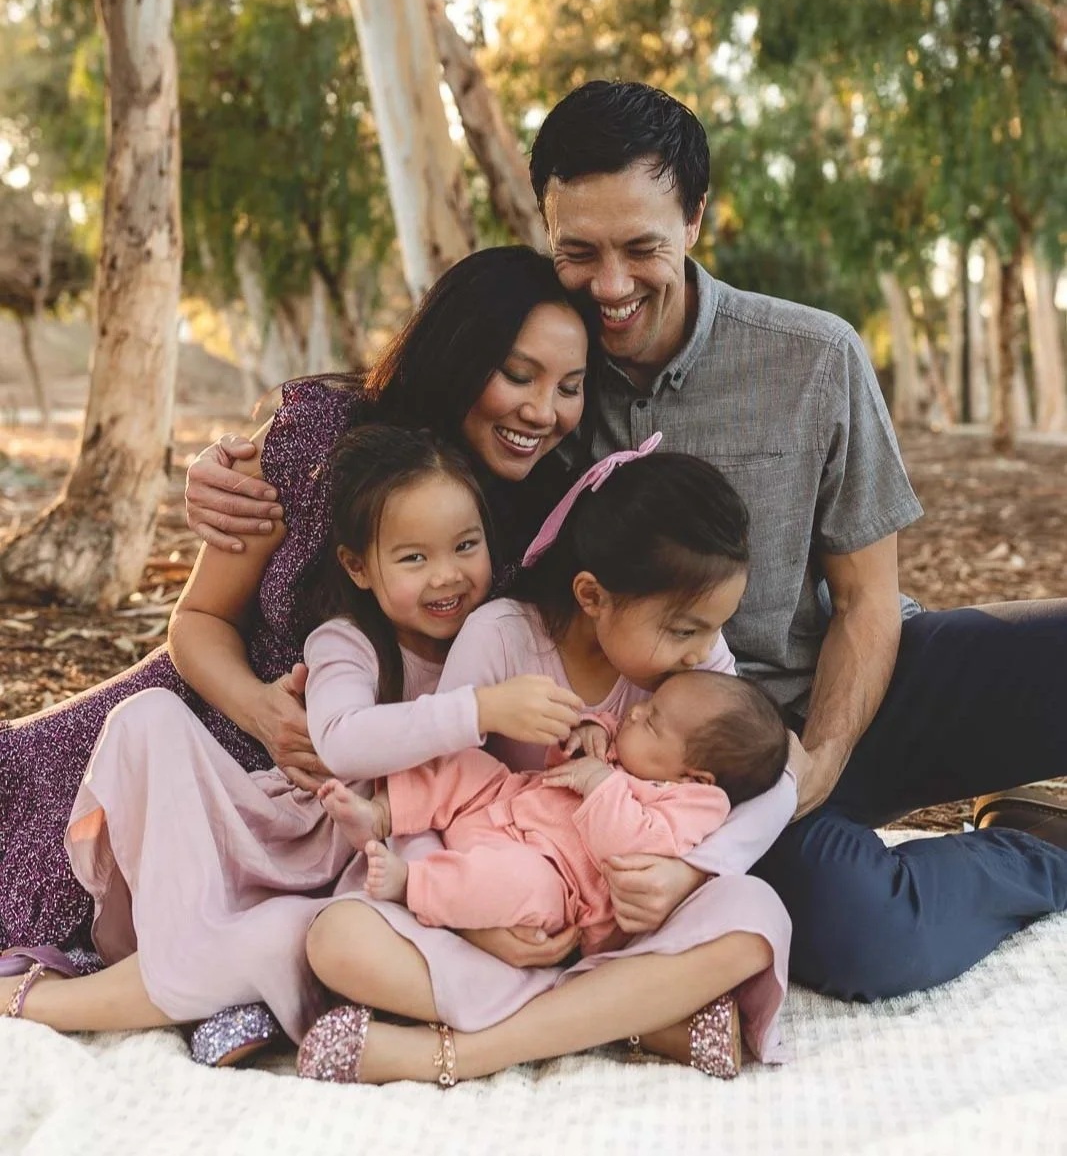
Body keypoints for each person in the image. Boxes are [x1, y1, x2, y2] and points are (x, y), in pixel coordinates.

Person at [197, 81, 1067, 1004]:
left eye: (641, 248)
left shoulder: (815, 356)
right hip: (683, 764)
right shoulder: (536, 386)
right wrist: (234, 463)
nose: (610, 286)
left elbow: (863, 600)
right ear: (546, 228)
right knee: (868, 935)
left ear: (695, 216)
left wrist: (815, 761)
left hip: (855, 685)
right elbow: (394, 433)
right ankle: (1038, 848)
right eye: (579, 251)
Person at [0, 246, 596, 1056]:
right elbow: (199, 619)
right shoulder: (317, 440)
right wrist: (266, 710)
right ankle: (169, 978)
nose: (544, 411)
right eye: (518, 375)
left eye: (569, 386)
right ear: (461, 354)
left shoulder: (540, 525)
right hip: (200, 743)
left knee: (313, 931)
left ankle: (163, 987)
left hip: (350, 828)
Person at [296, 439, 793, 1086]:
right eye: (683, 629)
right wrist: (476, 928)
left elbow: (774, 784)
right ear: (591, 594)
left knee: (755, 917)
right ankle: (634, 1016)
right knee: (337, 940)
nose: (702, 652)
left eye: (712, 629)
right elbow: (440, 784)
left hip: (609, 918)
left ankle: (461, 1051)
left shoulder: (691, 672)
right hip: (496, 892)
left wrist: (685, 874)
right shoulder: (502, 636)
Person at [319, 669, 788, 956]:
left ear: (696, 775)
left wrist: (601, 785)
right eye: (648, 706)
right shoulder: (622, 746)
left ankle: (412, 885)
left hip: (556, 879)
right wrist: (583, 736)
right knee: (463, 763)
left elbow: (632, 846)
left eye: (654, 721)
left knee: (516, 887)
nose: (636, 715)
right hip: (504, 801)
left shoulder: (696, 804)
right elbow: (561, 765)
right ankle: (379, 814)